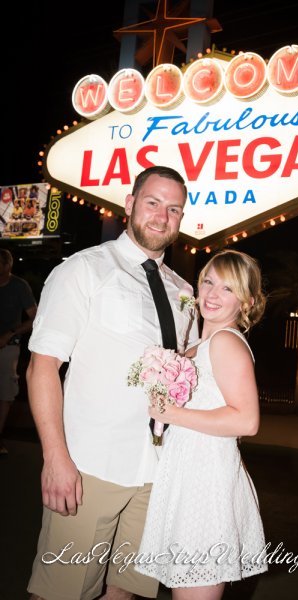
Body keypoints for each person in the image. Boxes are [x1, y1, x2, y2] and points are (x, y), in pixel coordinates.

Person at [26, 166, 199, 600]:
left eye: (173, 209)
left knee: (126, 590)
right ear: (130, 204)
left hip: (157, 471)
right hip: (91, 466)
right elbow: (42, 366)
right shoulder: (84, 270)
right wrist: (55, 458)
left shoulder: (184, 291)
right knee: (62, 592)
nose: (162, 216)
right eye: (153, 203)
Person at [135, 249, 268, 599]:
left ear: (247, 302)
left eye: (228, 288)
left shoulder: (225, 342)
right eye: (208, 282)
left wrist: (172, 414)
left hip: (205, 484)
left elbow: (247, 420)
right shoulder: (199, 343)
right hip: (188, 473)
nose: (212, 294)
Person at [0, 248, 37, 455]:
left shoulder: (19, 286)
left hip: (8, 346)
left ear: (8, 265)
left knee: (5, 392)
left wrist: (10, 333)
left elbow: (35, 318)